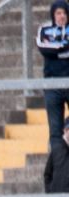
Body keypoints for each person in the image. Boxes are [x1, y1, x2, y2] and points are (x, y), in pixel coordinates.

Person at [37, 1, 69, 141]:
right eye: (58, 13)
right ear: (53, 15)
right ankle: (58, 163)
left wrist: (54, 49)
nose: (62, 16)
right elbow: (43, 48)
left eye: (64, 13)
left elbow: (50, 50)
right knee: (55, 132)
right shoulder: (44, 29)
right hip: (52, 85)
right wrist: (64, 47)